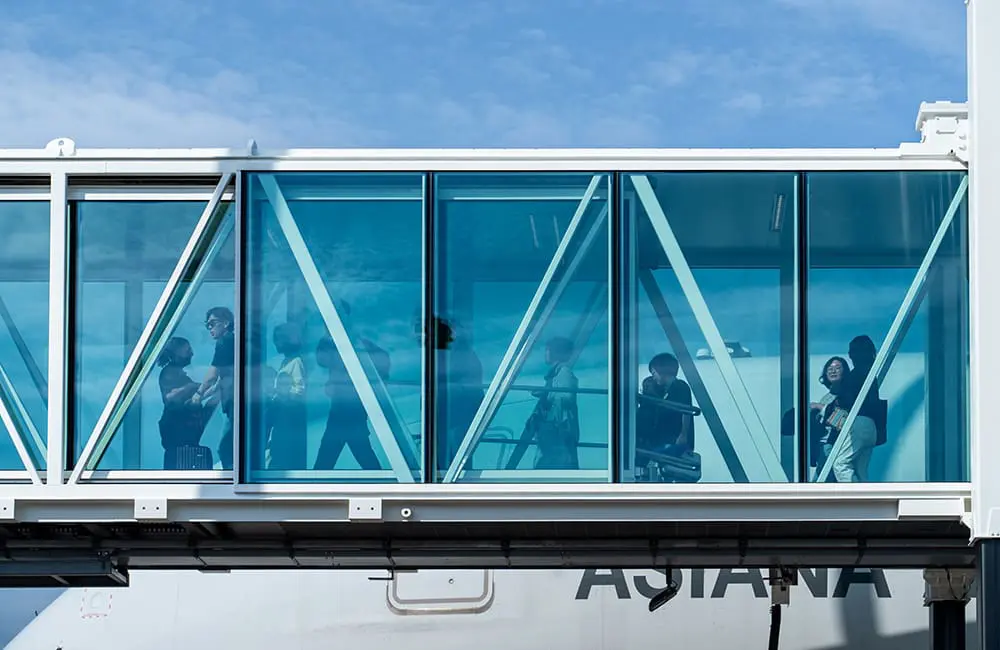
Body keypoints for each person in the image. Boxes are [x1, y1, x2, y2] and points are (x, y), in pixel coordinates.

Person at [526, 336, 580, 470]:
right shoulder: (555, 374)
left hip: (558, 432)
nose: (545, 353)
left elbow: (566, 397)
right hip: (554, 432)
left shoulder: (564, 372)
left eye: (547, 350)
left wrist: (547, 394)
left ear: (556, 352)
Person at [156, 337, 209, 469]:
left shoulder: (179, 375)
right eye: (187, 350)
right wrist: (190, 387)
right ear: (176, 352)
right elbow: (169, 398)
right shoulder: (169, 373)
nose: (192, 354)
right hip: (177, 436)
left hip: (185, 438)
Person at [636, 353, 693, 457]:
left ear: (663, 372)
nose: (653, 377)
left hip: (672, 433)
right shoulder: (648, 384)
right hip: (650, 434)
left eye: (654, 373)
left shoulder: (681, 388)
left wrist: (683, 435)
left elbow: (686, 412)